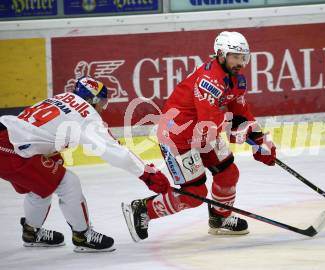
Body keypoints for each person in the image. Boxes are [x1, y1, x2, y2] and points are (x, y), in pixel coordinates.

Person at [122, 31, 276, 241]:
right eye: (235, 57)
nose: (240, 62)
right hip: (178, 137)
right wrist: (242, 133)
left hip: (203, 134)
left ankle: (220, 219)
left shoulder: (236, 79)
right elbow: (210, 125)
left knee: (229, 174)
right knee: (195, 194)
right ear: (221, 55)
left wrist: (260, 139)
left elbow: (241, 112)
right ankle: (143, 209)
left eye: (243, 57)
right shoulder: (208, 81)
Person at [0, 76, 170, 252]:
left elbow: (43, 129)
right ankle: (82, 235)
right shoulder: (85, 114)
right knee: (68, 183)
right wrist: (146, 174)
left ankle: (31, 232)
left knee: (42, 185)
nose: (103, 108)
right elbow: (112, 150)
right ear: (93, 99)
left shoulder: (62, 97)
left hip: (9, 140)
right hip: (12, 149)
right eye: (102, 102)